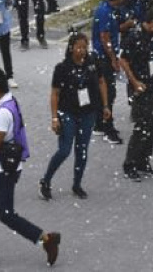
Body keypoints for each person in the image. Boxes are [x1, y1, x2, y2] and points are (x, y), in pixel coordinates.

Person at [0, 67, 61, 267]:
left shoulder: (3, 111)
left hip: (3, 170)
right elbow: (2, 134)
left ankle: (46, 239)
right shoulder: (9, 101)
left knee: (6, 215)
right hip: (5, 165)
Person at [39, 33, 110, 200]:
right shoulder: (62, 68)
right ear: (71, 48)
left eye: (85, 47)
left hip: (88, 113)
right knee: (64, 150)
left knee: (82, 150)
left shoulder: (92, 63)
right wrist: (55, 117)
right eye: (79, 47)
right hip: (68, 112)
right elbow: (55, 94)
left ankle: (77, 184)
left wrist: (105, 105)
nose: (82, 51)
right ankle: (46, 180)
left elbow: (101, 82)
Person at [120, 6, 153, 182]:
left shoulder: (152, 36)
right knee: (141, 126)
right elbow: (123, 60)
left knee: (151, 125)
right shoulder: (134, 36)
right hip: (141, 86)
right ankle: (130, 164)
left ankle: (144, 161)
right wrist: (134, 82)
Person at [91, 0, 126, 145]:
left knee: (102, 92)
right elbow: (105, 38)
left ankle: (99, 123)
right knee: (108, 93)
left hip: (102, 56)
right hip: (103, 58)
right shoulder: (105, 12)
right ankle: (108, 127)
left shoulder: (106, 9)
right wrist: (113, 59)